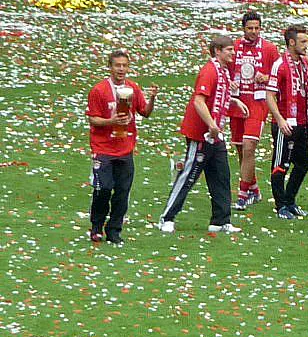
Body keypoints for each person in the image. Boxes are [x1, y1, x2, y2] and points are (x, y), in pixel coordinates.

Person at [158, 35, 250, 235]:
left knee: (221, 175)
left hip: (215, 135)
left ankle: (220, 220)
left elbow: (221, 95)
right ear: (217, 51)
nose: (233, 53)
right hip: (201, 134)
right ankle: (167, 217)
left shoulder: (223, 72)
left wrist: (234, 102)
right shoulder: (209, 71)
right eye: (229, 50)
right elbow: (199, 101)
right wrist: (211, 124)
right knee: (189, 175)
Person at [86, 49, 157, 244]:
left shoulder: (132, 88)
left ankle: (115, 229)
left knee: (123, 191)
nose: (121, 69)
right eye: (117, 65)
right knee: (103, 189)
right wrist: (111, 121)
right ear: (110, 67)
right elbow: (93, 119)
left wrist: (151, 98)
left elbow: (145, 112)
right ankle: (96, 226)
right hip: (103, 149)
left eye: (125, 65)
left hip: (125, 149)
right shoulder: (99, 91)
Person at [230, 12, 280, 211]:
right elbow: (225, 69)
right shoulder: (234, 47)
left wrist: (266, 78)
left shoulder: (269, 49)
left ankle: (243, 195)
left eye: (256, 28)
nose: (253, 32)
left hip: (257, 104)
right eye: (250, 28)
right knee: (241, 148)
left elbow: (279, 75)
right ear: (243, 28)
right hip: (237, 102)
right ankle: (254, 188)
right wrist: (230, 81)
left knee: (250, 146)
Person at [265, 25, 308, 220]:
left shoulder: (303, 64)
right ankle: (281, 205)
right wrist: (279, 120)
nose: (306, 45)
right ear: (292, 42)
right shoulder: (280, 65)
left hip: (302, 122)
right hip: (285, 123)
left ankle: (290, 199)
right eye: (303, 41)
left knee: (304, 162)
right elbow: (270, 95)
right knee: (280, 164)